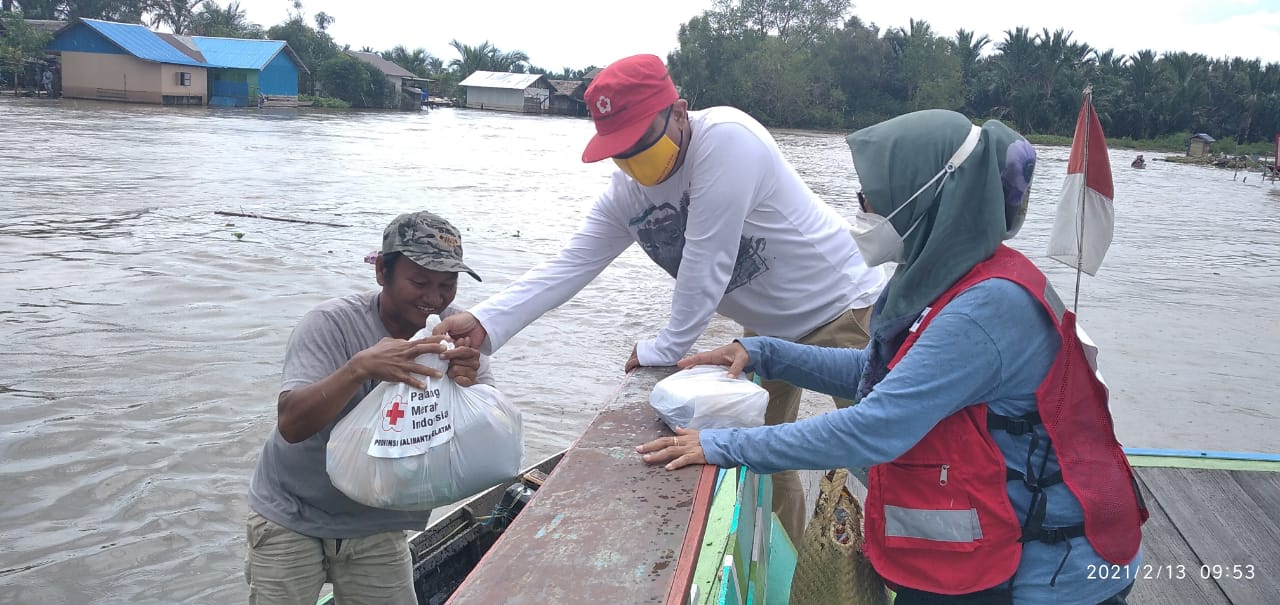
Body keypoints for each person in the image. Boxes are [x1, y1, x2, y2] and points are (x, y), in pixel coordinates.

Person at [638, 110, 1146, 604]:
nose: (863, 210)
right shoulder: (942, 276)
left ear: (926, 197)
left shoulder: (987, 308)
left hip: (1045, 572)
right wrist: (761, 353)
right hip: (982, 555)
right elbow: (877, 373)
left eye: (871, 199)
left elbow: (874, 426)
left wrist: (724, 445)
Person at [432, 53, 887, 543]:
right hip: (768, 332)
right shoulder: (627, 195)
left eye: (641, 146)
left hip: (845, 307)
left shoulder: (728, 141)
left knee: (883, 458)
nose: (634, 165)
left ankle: (901, 575)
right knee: (760, 460)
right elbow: (570, 264)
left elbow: (706, 264)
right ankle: (795, 572)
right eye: (620, 152)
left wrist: (666, 349)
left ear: (679, 112)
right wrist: (486, 321)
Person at [245, 211, 490, 605]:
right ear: (381, 272)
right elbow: (291, 424)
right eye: (419, 281)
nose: (434, 297)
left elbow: (483, 424)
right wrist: (358, 369)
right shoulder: (330, 324)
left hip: (380, 520)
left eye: (447, 284)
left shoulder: (453, 330)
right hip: (293, 513)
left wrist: (469, 380)